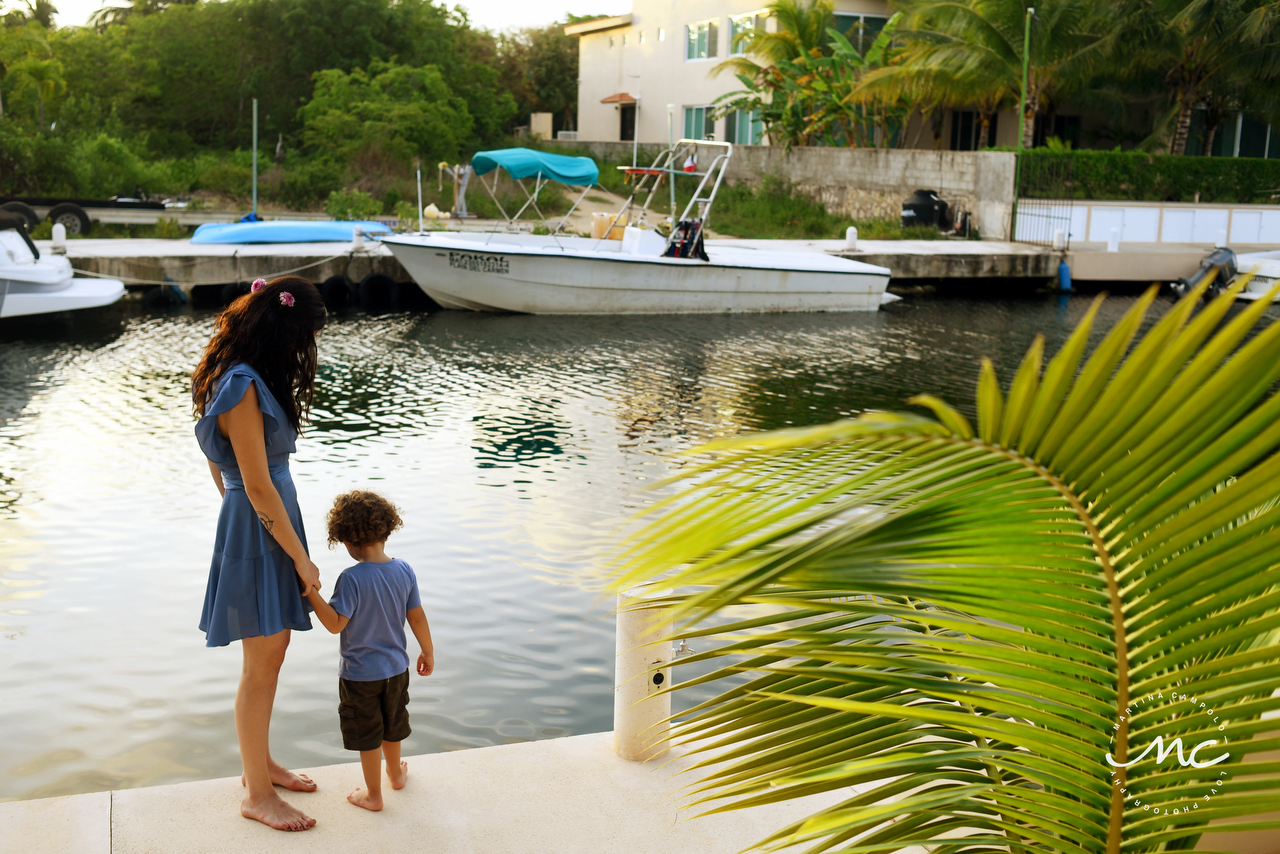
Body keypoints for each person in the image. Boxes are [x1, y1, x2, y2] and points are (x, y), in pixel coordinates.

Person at [191, 275, 327, 832]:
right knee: (260, 664)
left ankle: (261, 767)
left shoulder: (235, 376)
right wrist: (300, 558)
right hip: (264, 527)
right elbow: (256, 481)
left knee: (270, 658)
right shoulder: (242, 384)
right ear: (285, 331)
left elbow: (216, 462)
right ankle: (256, 794)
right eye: (307, 337)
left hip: (261, 524)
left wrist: (242, 510)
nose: (308, 349)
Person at [305, 490, 435, 812]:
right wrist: (427, 651)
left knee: (368, 735)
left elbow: (336, 624)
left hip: (361, 675)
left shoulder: (351, 579)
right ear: (386, 530)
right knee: (393, 725)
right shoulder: (404, 569)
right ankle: (395, 774)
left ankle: (373, 795)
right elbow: (416, 615)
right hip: (397, 669)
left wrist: (311, 595)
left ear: (347, 541)